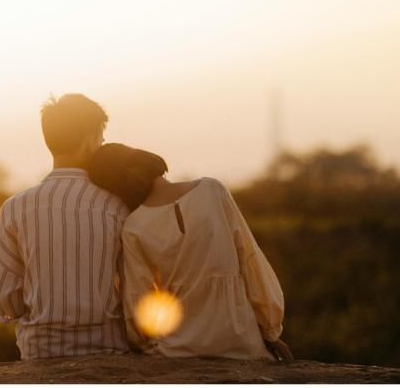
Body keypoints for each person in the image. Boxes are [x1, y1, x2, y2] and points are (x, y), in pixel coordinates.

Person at [88, 143, 294, 362]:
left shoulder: (133, 228)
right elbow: (251, 261)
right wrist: (271, 331)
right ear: (145, 159)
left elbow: (139, 301)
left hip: (177, 349)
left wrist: (146, 344)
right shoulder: (212, 190)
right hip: (241, 341)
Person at [0, 94, 130, 359]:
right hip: (109, 349)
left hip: (41, 351)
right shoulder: (117, 206)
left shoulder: (14, 208)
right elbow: (133, 289)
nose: (102, 144)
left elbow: (8, 302)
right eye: (101, 138)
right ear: (91, 139)